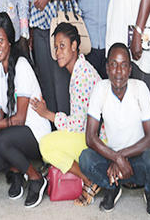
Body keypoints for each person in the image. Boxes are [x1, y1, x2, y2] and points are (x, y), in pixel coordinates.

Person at [79, 43, 150, 215]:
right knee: (85, 159)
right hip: (112, 160)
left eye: (124, 65)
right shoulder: (100, 89)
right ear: (107, 68)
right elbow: (90, 138)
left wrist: (122, 157)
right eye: (114, 65)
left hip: (136, 159)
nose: (118, 71)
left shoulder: (140, 88)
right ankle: (112, 186)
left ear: (130, 69)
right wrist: (116, 158)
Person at [0, 13, 51, 208]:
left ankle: (36, 178)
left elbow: (20, 119)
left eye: (1, 40)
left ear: (10, 41)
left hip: (36, 134)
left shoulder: (21, 66)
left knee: (3, 140)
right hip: (15, 134)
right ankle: (16, 170)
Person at [32, 22, 102, 207]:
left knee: (46, 146)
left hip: (99, 140)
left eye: (62, 46)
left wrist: (48, 114)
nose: (58, 52)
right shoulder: (80, 69)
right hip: (93, 136)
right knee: (52, 144)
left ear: (74, 46)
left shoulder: (81, 75)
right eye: (55, 47)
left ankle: (88, 180)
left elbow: (79, 124)